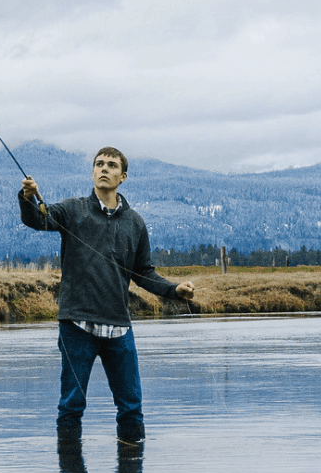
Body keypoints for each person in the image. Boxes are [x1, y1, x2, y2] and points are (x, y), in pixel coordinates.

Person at [19, 147, 195, 445]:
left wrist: (173, 290)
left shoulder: (135, 222)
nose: (104, 168)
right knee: (71, 407)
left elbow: (144, 273)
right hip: (76, 325)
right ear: (92, 172)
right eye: (99, 164)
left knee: (131, 408)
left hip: (119, 326)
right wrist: (28, 197)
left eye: (111, 165)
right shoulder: (71, 210)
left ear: (122, 177)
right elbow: (38, 220)